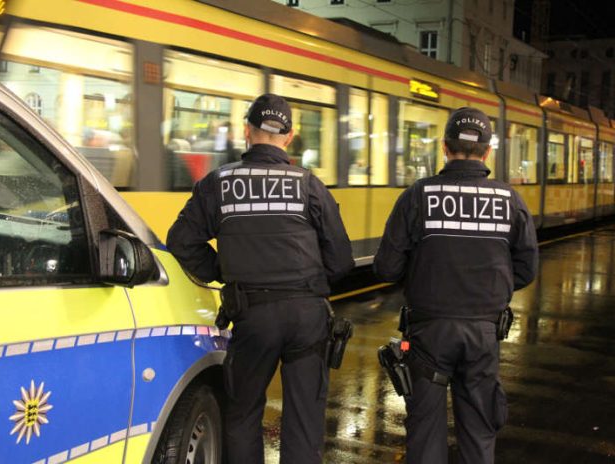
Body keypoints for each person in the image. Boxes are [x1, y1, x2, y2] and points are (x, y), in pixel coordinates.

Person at [167, 93, 354, 464]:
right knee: (304, 419)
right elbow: (342, 261)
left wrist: (223, 270)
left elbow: (181, 241)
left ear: (247, 131)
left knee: (243, 413)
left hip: (253, 315)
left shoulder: (218, 183)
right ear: (289, 135)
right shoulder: (309, 185)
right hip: (307, 315)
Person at [373, 107, 538, 464]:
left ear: (444, 148)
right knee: (479, 431)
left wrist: (423, 274)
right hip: (483, 333)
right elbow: (527, 267)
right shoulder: (509, 200)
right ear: (488, 151)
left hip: (428, 333)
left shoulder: (419, 195)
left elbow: (386, 267)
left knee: (425, 432)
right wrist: (491, 291)